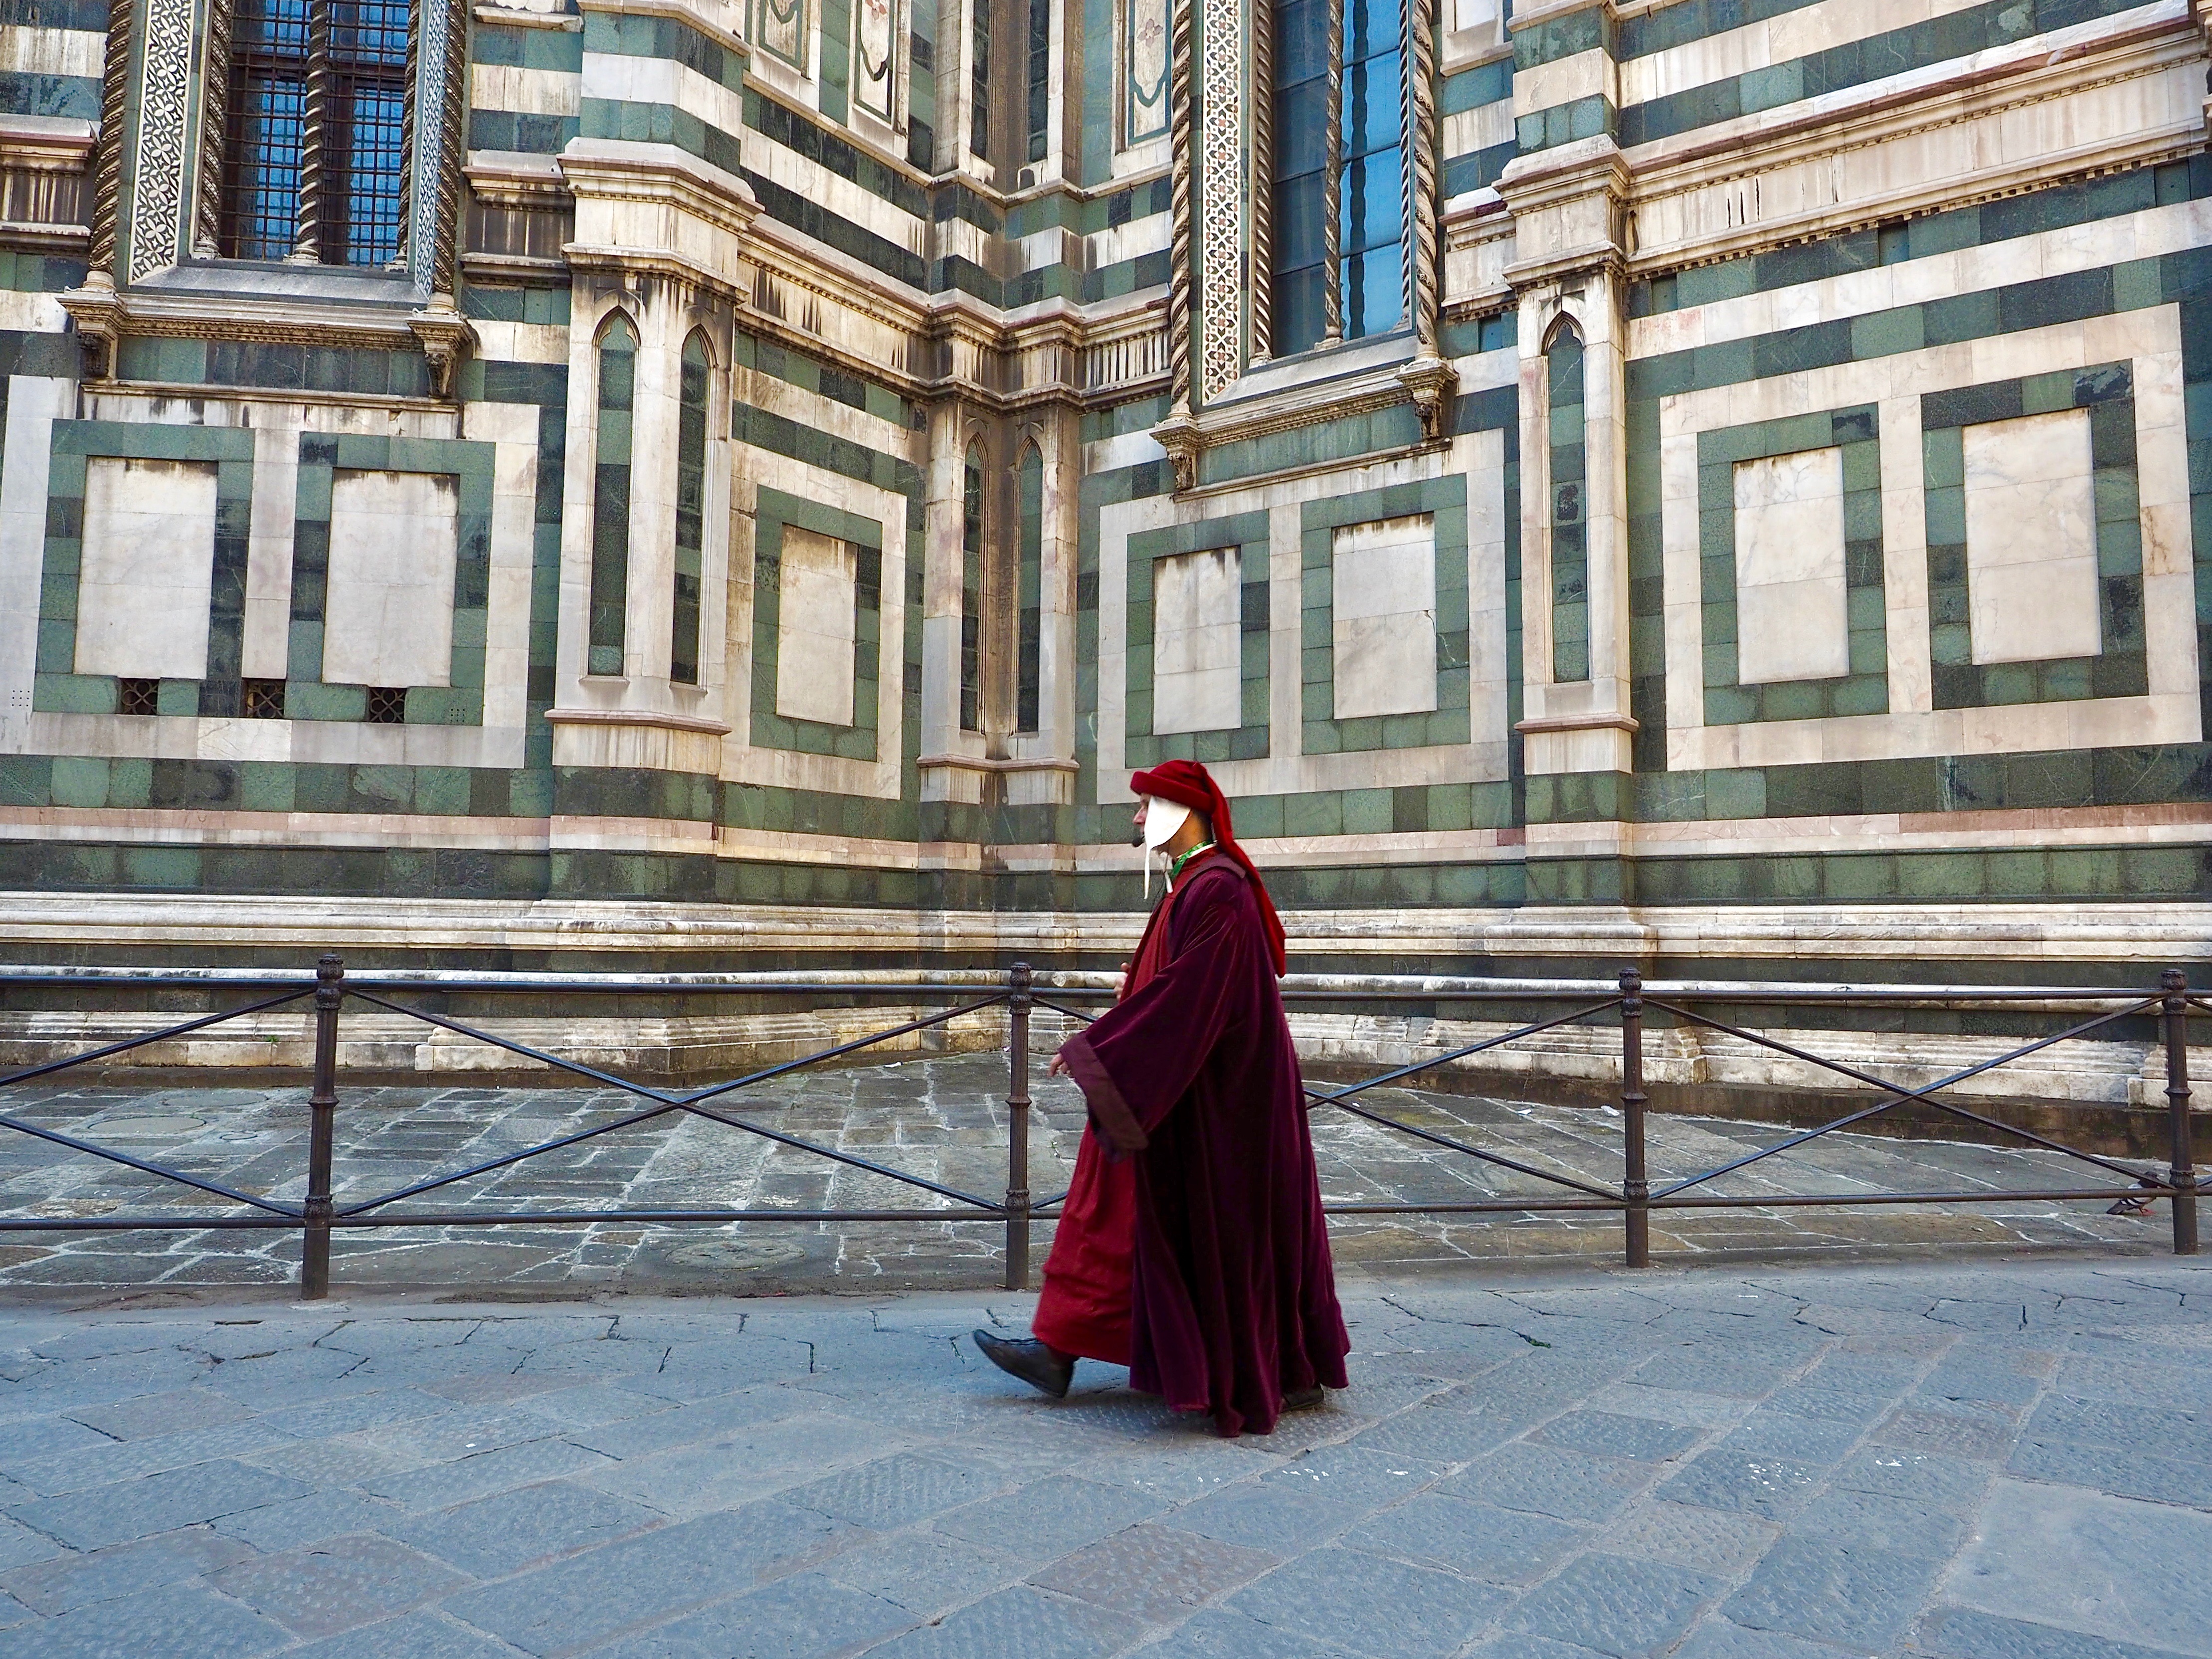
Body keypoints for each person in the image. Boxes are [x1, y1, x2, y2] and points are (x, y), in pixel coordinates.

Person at [973, 758, 1350, 1437]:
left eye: (1148, 805)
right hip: (1182, 1087)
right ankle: (1059, 1349)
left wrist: (1101, 1049)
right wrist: (1135, 997)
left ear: (1184, 812)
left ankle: (1264, 1371)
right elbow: (1184, 981)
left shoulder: (1219, 890)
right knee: (1117, 1211)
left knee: (1180, 1222)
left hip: (1218, 1101)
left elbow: (1194, 994)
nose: (1138, 817)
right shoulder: (1196, 885)